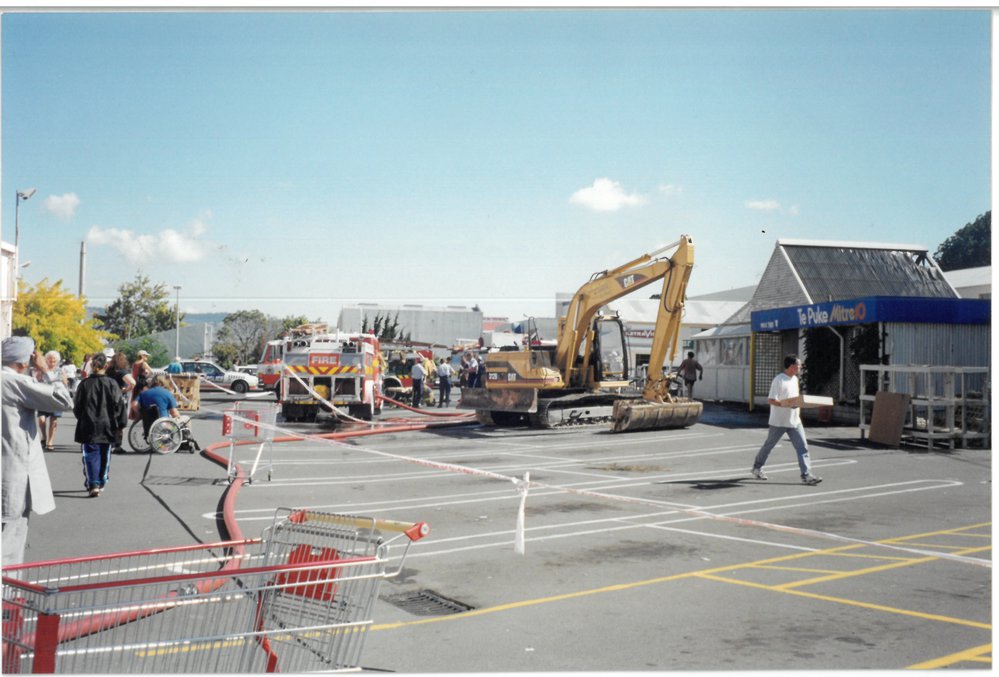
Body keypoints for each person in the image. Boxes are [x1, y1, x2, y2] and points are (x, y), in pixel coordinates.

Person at [2, 336, 73, 564]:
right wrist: (47, 372)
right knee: (10, 540)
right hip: (13, 470)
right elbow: (63, 401)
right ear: (24, 361)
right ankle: (7, 595)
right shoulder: (15, 383)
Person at [751, 354, 822, 485]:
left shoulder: (795, 379)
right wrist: (787, 404)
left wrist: (799, 403)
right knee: (769, 446)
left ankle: (806, 475)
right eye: (799, 365)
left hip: (795, 421)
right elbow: (771, 400)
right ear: (791, 366)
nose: (801, 367)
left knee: (803, 447)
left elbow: (793, 398)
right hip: (779, 421)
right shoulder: (779, 380)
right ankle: (757, 467)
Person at [74, 353, 124, 497]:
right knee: (105, 453)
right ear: (106, 366)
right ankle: (101, 480)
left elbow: (77, 406)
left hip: (88, 423)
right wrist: (121, 424)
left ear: (91, 365)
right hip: (108, 424)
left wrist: (81, 418)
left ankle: (93, 483)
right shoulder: (112, 383)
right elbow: (119, 405)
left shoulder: (84, 384)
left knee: (90, 454)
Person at [36, 351, 69, 450]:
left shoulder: (60, 371)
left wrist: (64, 381)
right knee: (41, 420)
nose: (52, 360)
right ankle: (44, 437)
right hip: (44, 398)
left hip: (56, 397)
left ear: (57, 360)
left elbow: (65, 384)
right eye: (50, 358)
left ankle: (50, 442)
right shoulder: (42, 370)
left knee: (53, 420)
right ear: (46, 359)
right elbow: (36, 381)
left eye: (54, 358)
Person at [106, 352, 136, 453]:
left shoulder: (108, 371)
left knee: (108, 421)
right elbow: (132, 383)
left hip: (106, 398)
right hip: (118, 400)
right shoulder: (122, 372)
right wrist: (125, 390)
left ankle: (107, 444)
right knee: (120, 422)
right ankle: (117, 446)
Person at [136, 374, 181, 439]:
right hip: (164, 425)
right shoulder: (167, 393)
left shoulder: (144, 393)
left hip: (148, 424)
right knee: (185, 420)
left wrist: (140, 414)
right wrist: (179, 417)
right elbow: (174, 413)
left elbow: (134, 405)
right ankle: (184, 442)